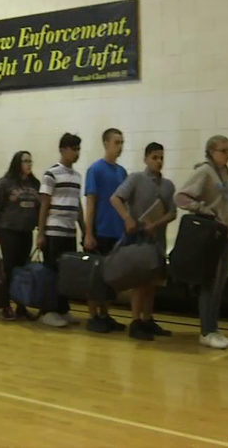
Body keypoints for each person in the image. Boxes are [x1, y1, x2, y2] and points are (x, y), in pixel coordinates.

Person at [175, 135, 228, 350]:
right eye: (223, 150)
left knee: (219, 286)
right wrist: (204, 210)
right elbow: (181, 196)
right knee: (210, 284)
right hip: (213, 236)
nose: (227, 154)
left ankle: (213, 327)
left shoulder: (226, 174)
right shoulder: (205, 172)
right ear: (211, 152)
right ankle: (206, 331)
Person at [111, 142, 177, 341]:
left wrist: (156, 224)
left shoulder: (167, 185)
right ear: (146, 159)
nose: (159, 162)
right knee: (139, 281)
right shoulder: (136, 179)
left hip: (157, 239)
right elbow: (115, 198)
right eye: (155, 158)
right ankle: (136, 321)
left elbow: (173, 212)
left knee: (152, 281)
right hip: (139, 239)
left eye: (161, 158)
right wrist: (127, 218)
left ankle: (148, 319)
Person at [36, 133, 85, 328]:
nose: (77, 153)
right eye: (74, 149)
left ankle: (63, 310)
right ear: (63, 149)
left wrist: (84, 229)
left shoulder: (77, 176)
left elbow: (77, 204)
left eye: (79, 149)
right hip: (53, 232)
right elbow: (44, 204)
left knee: (66, 273)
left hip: (69, 232)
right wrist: (40, 233)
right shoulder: (51, 174)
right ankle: (48, 311)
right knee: (52, 272)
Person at [83, 128, 127, 333]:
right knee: (95, 278)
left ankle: (105, 314)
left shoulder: (121, 172)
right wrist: (88, 233)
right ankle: (94, 316)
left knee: (110, 278)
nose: (120, 147)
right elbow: (90, 203)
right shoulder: (95, 170)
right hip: (99, 231)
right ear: (106, 144)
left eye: (122, 142)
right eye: (116, 142)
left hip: (117, 233)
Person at [0, 151, 40, 321]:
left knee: (23, 269)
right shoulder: (5, 184)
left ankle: (21, 305)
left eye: (30, 161)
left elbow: (39, 207)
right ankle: (6, 305)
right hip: (8, 231)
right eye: (25, 161)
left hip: (26, 231)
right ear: (17, 163)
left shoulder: (35, 183)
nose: (28, 164)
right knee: (9, 269)